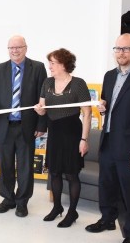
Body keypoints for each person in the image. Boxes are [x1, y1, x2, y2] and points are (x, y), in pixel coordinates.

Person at [85, 34, 130, 243]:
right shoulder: (109, 76)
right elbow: (109, 106)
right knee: (106, 185)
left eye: (126, 49)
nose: (121, 53)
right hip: (108, 142)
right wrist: (103, 109)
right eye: (118, 49)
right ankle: (108, 219)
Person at [0, 35, 47, 217]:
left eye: (18, 47)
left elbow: (42, 99)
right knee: (5, 165)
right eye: (11, 47)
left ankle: (22, 201)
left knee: (25, 167)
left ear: (26, 48)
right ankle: (8, 198)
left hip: (27, 126)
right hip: (4, 126)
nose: (15, 50)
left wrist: (41, 124)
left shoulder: (38, 68)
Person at [34, 48, 91, 227]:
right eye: (49, 62)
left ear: (64, 65)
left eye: (53, 63)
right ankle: (57, 207)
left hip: (72, 132)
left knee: (72, 174)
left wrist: (84, 140)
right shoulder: (47, 82)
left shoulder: (78, 84)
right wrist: (40, 110)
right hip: (55, 132)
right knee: (54, 172)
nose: (49, 66)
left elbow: (87, 114)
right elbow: (42, 107)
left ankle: (72, 212)